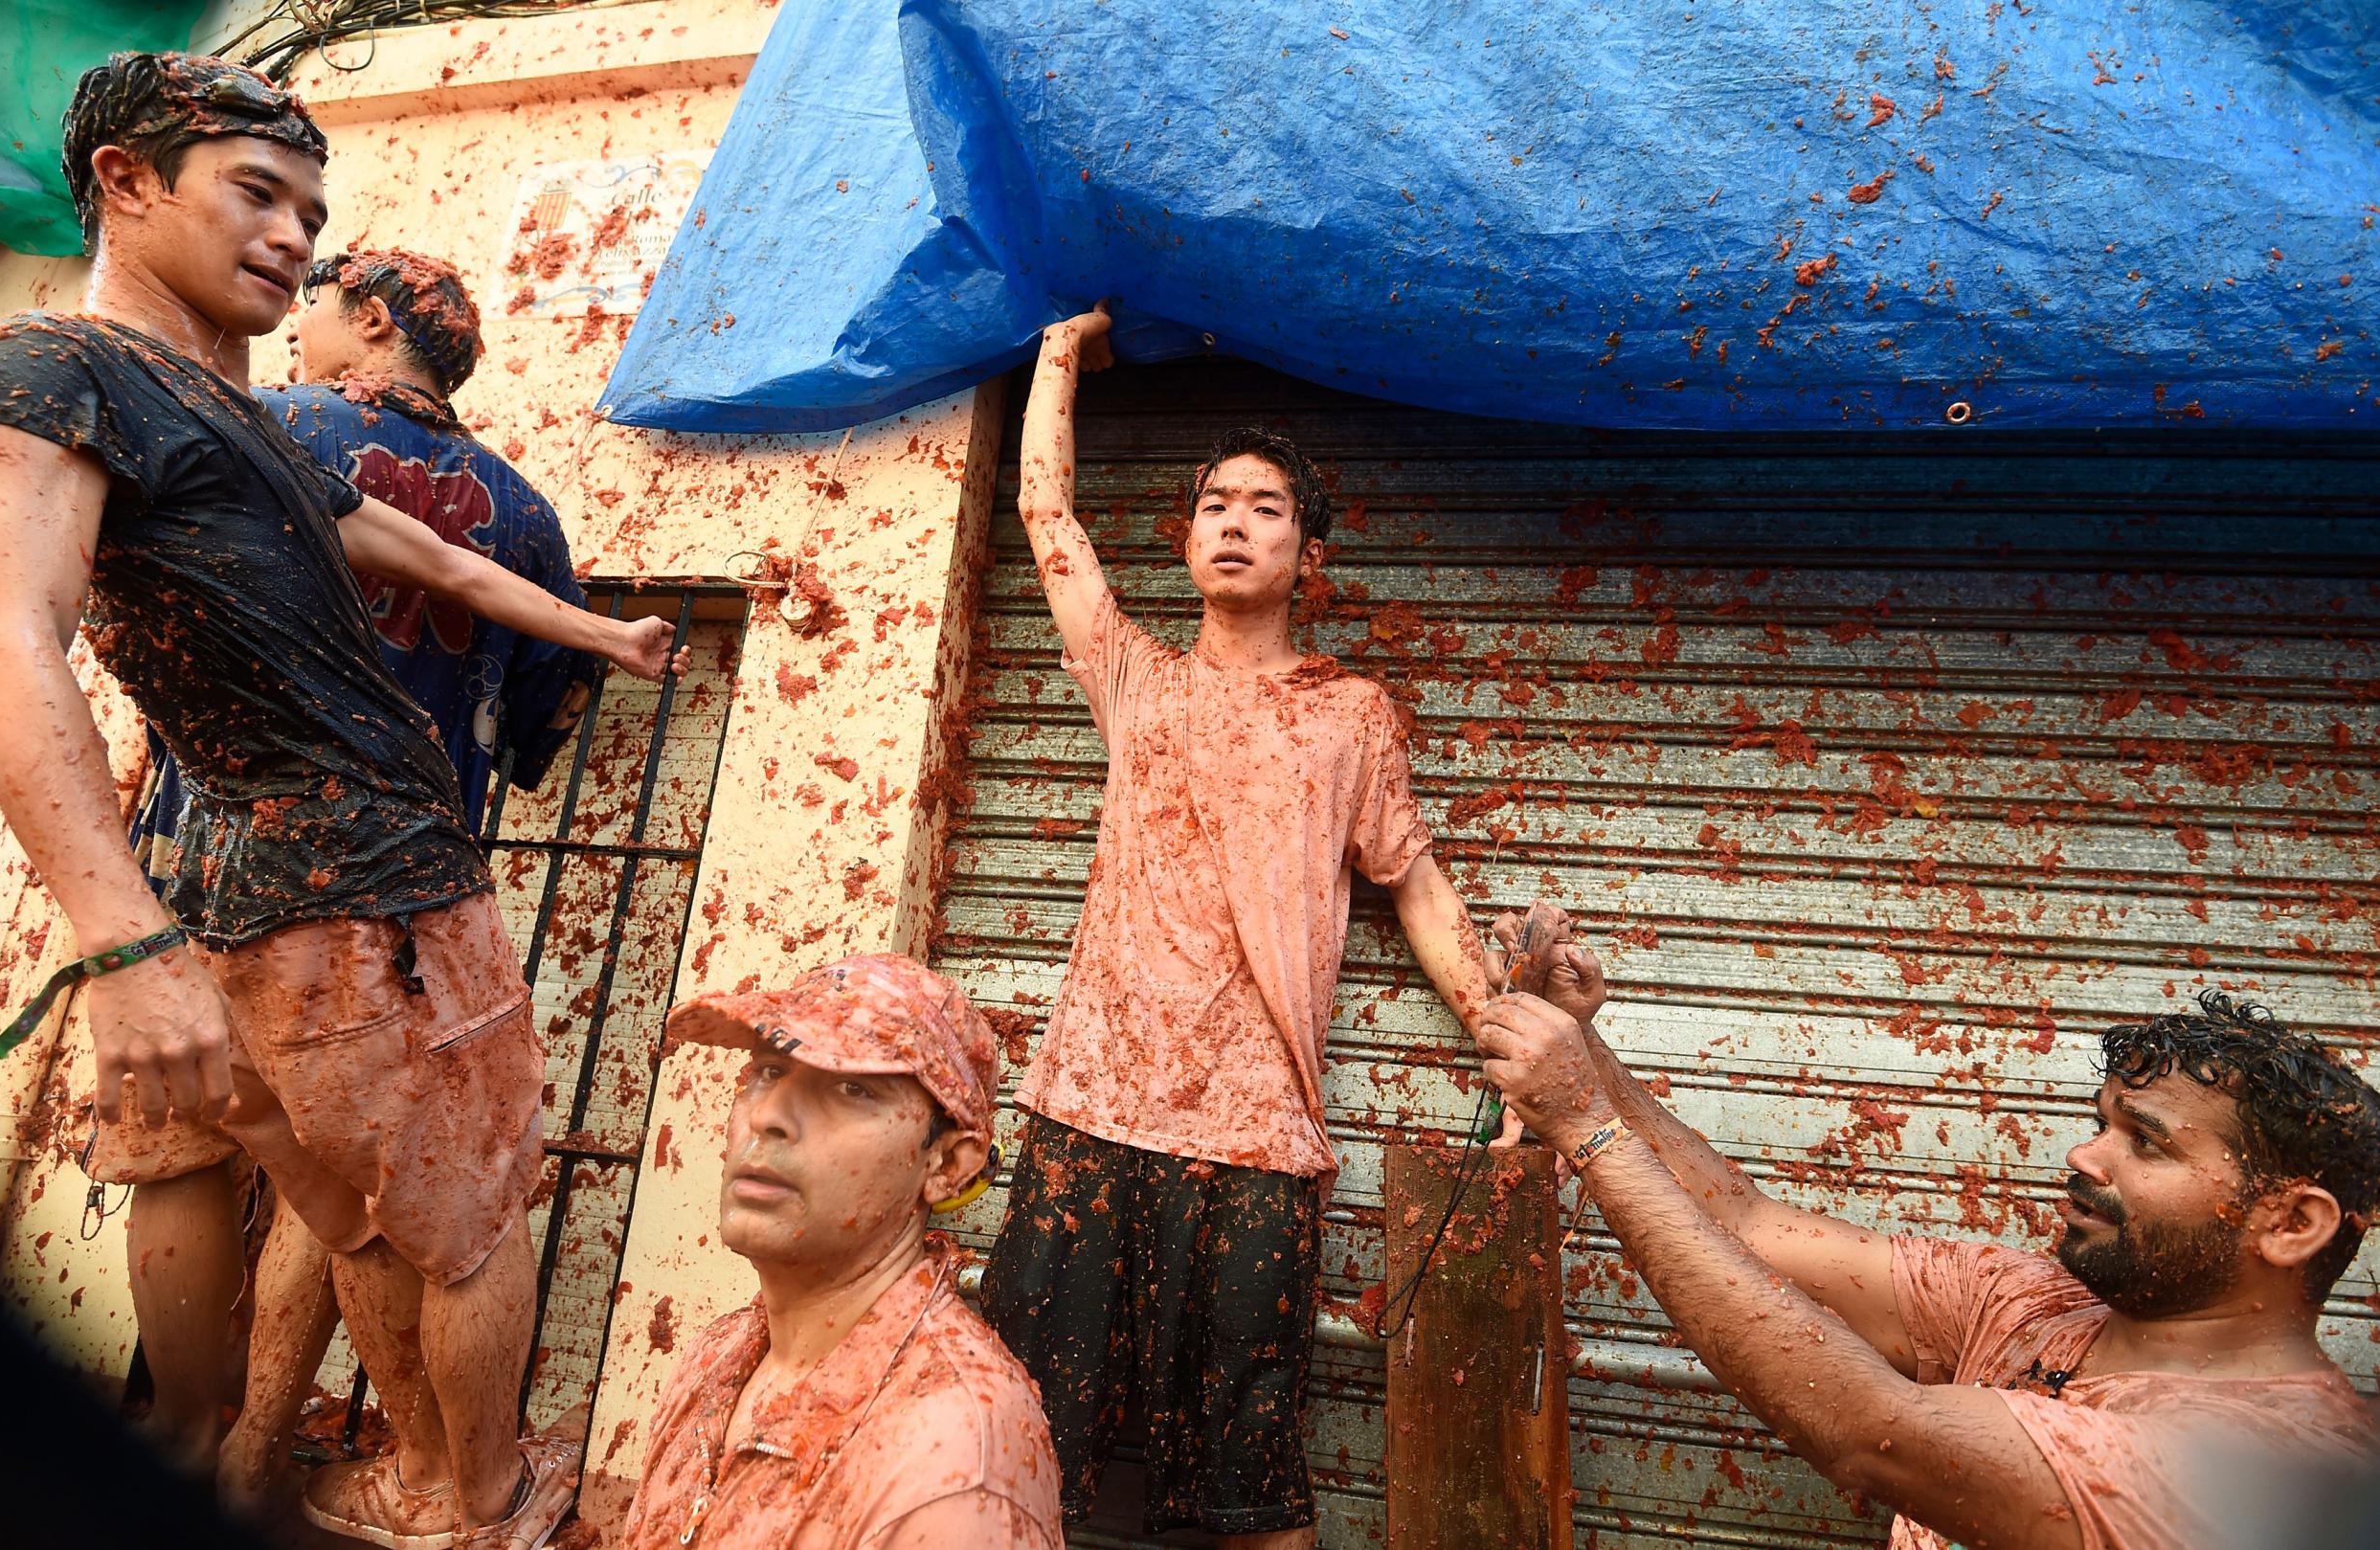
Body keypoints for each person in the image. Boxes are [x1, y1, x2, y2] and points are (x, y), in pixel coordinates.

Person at [0, 53, 684, 1547]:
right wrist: (122, 943)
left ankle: (305, 1465)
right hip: (350, 894)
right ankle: (476, 1499)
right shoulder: (60, 366)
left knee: (358, 1210)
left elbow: (435, 563)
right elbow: (6, 630)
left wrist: (603, 632)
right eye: (257, 195)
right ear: (124, 182)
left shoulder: (249, 413)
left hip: (326, 884)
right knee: (474, 1210)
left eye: (312, 208)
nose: (296, 237)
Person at [977, 304, 1497, 1547]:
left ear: (1306, 552)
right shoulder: (1135, 674)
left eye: (1267, 506)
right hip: (1086, 1117)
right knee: (1008, 1445)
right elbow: (1049, 519)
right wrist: (1057, 356)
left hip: (1257, 1140)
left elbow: (1415, 882)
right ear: (1187, 533)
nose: (1234, 520)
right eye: (1216, 500)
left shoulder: (1348, 711)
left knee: (1250, 1490)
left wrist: (1497, 1021)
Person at [107, 247, 603, 1514]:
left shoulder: (258, 426)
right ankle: (280, 1447)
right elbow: (537, 737)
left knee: (179, 1161)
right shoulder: (530, 517)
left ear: (369, 317)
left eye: (319, 303)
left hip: (198, 862)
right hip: (399, 907)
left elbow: (127, 607)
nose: (300, 327)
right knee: (358, 1203)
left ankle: (191, 1435)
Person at [1474, 909, 2380, 1550]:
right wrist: (1585, 1049)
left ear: (2292, 1222)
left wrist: (1590, 1127)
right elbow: (1747, 1223)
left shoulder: (2277, 1474)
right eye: (2100, 1120)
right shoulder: (2036, 1304)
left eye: (2143, 1141)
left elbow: (1868, 1428)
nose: (2084, 1156)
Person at [621, 955, 1061, 1549]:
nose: (769, 1116)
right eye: (769, 1071)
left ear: (948, 1165)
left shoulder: (950, 1459)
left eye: (852, 1088)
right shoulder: (717, 1359)